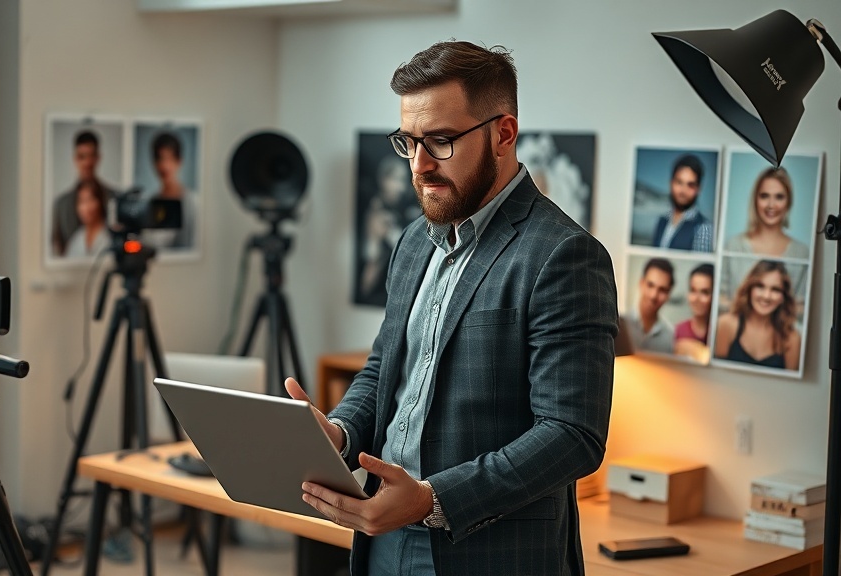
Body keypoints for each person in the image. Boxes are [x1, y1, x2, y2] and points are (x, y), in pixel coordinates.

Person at [284, 41, 618, 575]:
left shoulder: (564, 255)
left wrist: (432, 499)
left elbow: (572, 435)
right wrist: (340, 434)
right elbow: (386, 371)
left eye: (440, 142)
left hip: (491, 553)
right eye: (408, 142)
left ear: (503, 134)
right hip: (381, 539)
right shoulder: (415, 241)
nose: (419, 165)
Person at [714, 260, 800, 370]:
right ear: (750, 289)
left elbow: (793, 386)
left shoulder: (791, 339)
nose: (766, 296)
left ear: (783, 297)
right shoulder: (726, 324)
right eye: (760, 286)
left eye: (775, 289)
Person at [358, 155, 421, 305]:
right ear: (383, 180)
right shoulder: (376, 211)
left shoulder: (405, 209)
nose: (401, 187)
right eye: (395, 179)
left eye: (403, 180)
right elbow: (373, 258)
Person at [51, 129, 114, 256]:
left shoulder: (113, 198)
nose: (87, 163)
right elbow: (58, 249)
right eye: (82, 157)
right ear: (75, 159)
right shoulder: (62, 204)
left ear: (98, 158)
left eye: (91, 156)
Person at [725, 167, 809, 259]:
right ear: (755, 200)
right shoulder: (733, 246)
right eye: (764, 196)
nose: (771, 205)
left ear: (788, 202)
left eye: (779, 197)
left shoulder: (802, 253)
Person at [651, 154, 713, 252]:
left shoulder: (703, 228)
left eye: (690, 185)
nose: (683, 191)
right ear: (671, 183)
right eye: (679, 182)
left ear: (698, 189)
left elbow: (699, 267)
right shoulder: (661, 220)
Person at [148, 131, 195, 249]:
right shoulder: (150, 203)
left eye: (170, 159)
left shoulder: (193, 203)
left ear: (179, 162)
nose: (165, 166)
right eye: (160, 159)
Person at [625, 258, 675, 354]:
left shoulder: (670, 337)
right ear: (641, 283)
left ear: (668, 294)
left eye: (662, 290)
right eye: (650, 285)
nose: (654, 295)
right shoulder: (620, 324)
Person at [674, 263, 714, 363]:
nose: (697, 298)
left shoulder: (720, 333)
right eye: (693, 290)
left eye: (704, 292)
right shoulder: (678, 331)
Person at [64, 179, 111, 259]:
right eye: (81, 201)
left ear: (100, 202)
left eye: (90, 199)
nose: (86, 207)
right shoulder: (75, 240)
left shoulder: (110, 235)